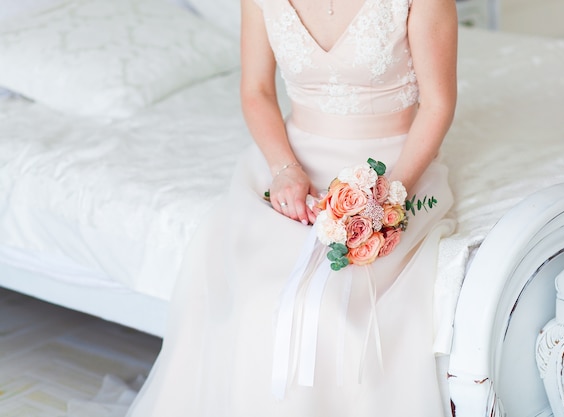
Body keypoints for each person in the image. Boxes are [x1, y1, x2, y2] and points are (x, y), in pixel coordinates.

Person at [126, 0, 457, 415]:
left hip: (394, 166)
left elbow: (438, 103)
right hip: (293, 160)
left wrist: (386, 196)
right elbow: (257, 92)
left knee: (339, 305)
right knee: (257, 297)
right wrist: (284, 168)